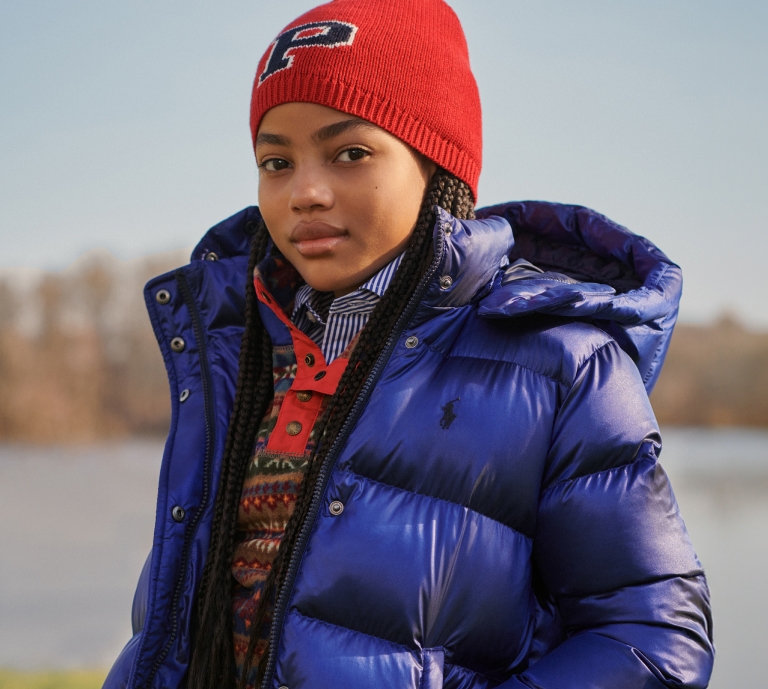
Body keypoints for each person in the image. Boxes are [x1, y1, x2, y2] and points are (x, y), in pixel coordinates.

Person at [104, 1, 714, 688]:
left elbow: (652, 637)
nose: (304, 191)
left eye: (350, 152)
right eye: (276, 161)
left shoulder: (562, 363)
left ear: (438, 171)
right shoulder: (233, 354)